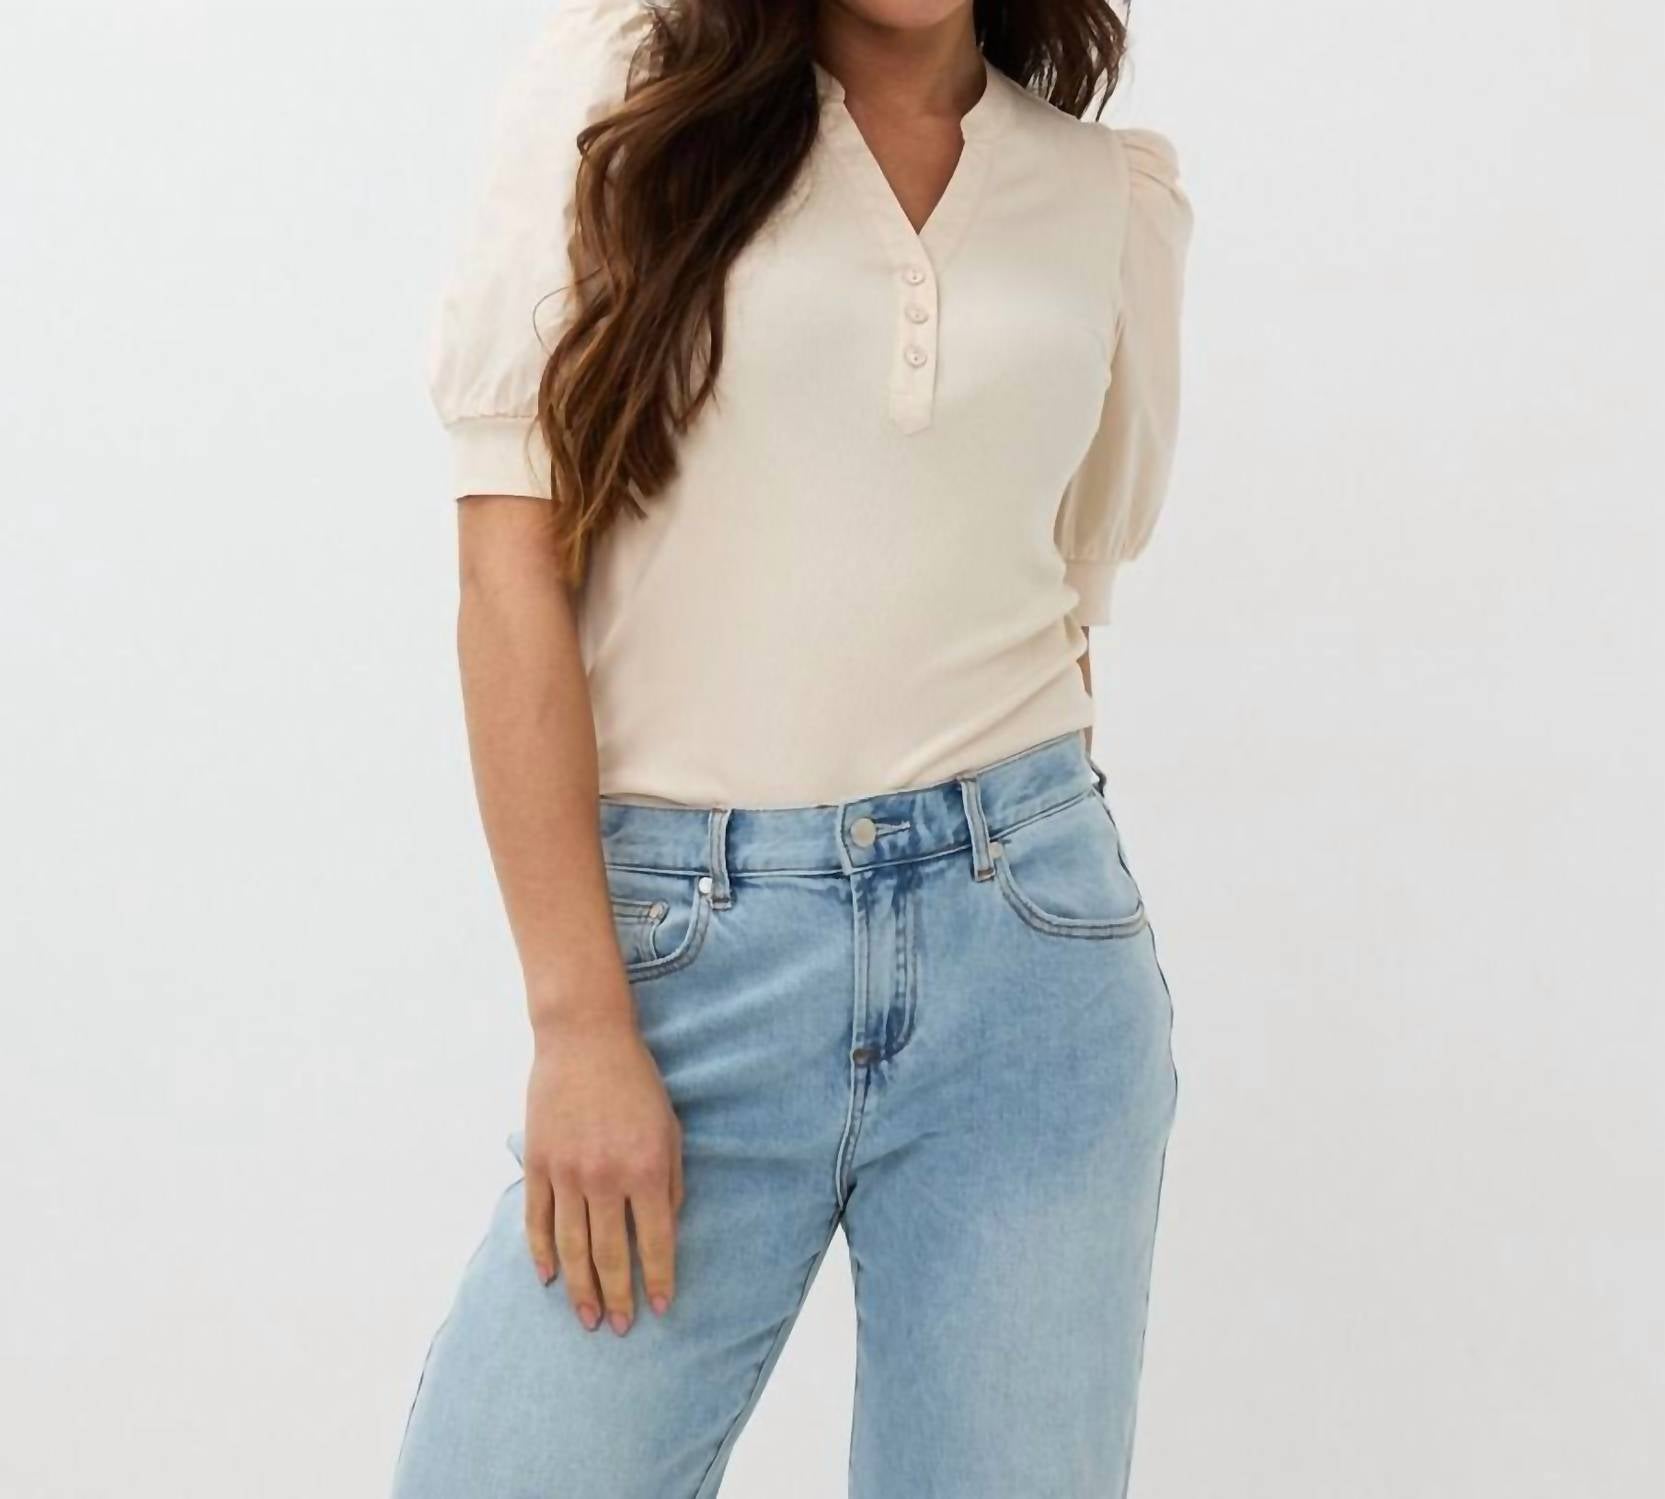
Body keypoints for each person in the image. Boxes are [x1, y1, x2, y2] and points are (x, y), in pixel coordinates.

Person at [391, 1, 1191, 1494]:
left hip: (1026, 959)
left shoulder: (1102, 197)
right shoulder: (623, 97)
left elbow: (1063, 610)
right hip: (685, 964)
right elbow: (508, 574)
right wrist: (580, 1024)